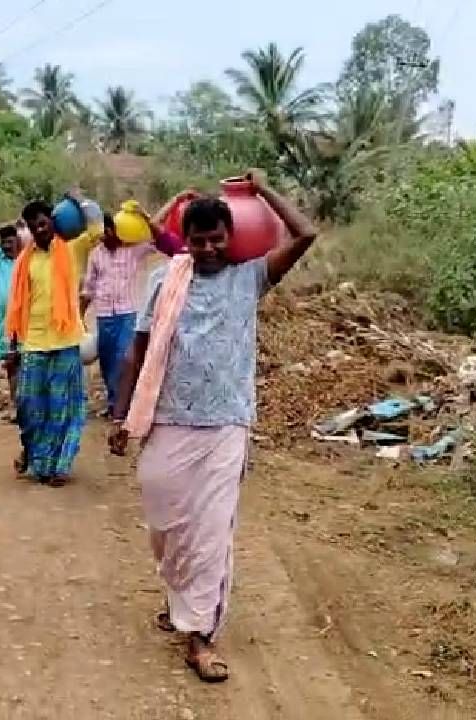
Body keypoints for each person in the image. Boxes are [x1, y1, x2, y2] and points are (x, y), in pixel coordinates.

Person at [108, 171, 318, 683]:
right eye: (197, 239)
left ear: (232, 235)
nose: (206, 248)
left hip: (225, 422)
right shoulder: (164, 279)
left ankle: (199, 635)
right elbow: (137, 351)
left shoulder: (250, 278)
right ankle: (179, 601)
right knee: (165, 525)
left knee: (208, 533)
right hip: (168, 419)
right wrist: (121, 413)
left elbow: (306, 234)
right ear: (186, 239)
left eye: (216, 238)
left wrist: (264, 190)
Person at [79, 196, 189, 416]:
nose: (105, 236)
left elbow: (156, 234)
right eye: (102, 232)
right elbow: (88, 288)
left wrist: (144, 216)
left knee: (123, 358)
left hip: (127, 314)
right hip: (103, 315)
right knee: (108, 360)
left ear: (116, 230)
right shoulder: (95, 255)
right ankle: (113, 404)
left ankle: (126, 406)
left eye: (109, 231)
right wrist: (79, 315)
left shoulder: (134, 250)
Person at [5, 200, 88, 487]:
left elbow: (98, 225)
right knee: (29, 406)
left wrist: (76, 202)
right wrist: (13, 345)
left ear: (52, 221)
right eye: (33, 226)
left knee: (61, 406)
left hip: (65, 340)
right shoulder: (25, 260)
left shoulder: (73, 249)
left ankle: (60, 465)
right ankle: (36, 456)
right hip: (34, 341)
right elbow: (17, 304)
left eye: (43, 223)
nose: (39, 230)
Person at [0, 224, 23, 411]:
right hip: (3, 321)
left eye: (10, 241)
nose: (7, 246)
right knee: (11, 364)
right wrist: (2, 226)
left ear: (19, 241)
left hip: (24, 320)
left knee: (26, 360)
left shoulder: (26, 259)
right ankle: (17, 404)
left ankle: (28, 404)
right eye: (4, 243)